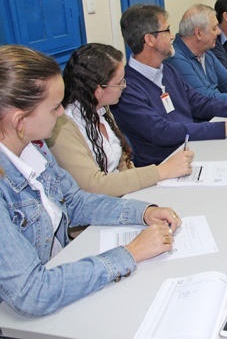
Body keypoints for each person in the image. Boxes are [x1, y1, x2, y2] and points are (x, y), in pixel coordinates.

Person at [0, 45, 182, 316]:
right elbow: (33, 293)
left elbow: (74, 200)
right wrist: (130, 253)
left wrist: (143, 211)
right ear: (19, 120)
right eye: (54, 107)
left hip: (63, 275)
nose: (61, 113)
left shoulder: (33, 147)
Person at [110, 4, 227, 167]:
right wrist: (223, 129)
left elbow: (198, 102)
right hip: (162, 167)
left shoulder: (167, 70)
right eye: (167, 31)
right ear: (150, 39)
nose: (172, 36)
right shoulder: (126, 88)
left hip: (192, 152)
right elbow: (162, 131)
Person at [46, 43, 194, 197]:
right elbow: (95, 185)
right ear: (98, 91)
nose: (125, 86)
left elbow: (123, 165)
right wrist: (162, 171)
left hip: (123, 198)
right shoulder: (64, 126)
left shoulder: (102, 109)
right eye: (120, 82)